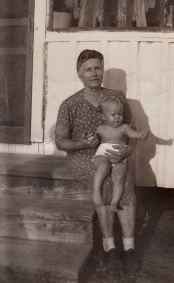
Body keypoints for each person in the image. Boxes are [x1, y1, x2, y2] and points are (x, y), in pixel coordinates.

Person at [55, 49, 140, 272]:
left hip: (116, 153)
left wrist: (127, 152)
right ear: (79, 74)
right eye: (88, 69)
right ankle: (110, 246)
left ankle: (129, 247)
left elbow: (132, 131)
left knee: (125, 177)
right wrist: (83, 144)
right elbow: (61, 142)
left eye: (97, 68)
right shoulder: (69, 104)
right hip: (84, 156)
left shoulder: (117, 97)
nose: (94, 73)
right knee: (105, 180)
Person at [93, 96, 149, 212]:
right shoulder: (101, 128)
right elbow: (92, 138)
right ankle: (96, 191)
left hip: (120, 158)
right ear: (104, 116)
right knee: (103, 166)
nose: (118, 118)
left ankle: (114, 202)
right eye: (113, 115)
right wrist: (88, 136)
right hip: (103, 154)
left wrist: (139, 135)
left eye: (120, 114)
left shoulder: (124, 127)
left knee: (119, 178)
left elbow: (131, 133)